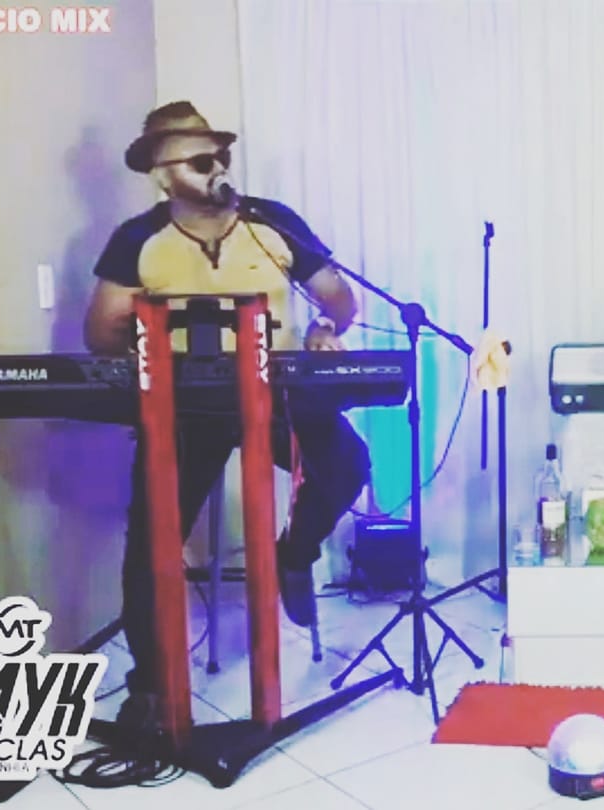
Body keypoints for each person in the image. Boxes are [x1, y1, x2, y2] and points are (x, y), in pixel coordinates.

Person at [82, 101, 372, 729]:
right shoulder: (137, 239)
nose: (217, 168)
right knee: (152, 543)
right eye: (199, 160)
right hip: (185, 406)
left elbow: (340, 299)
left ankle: (295, 553)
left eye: (220, 156)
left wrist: (324, 328)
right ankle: (150, 689)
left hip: (279, 394)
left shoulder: (272, 223)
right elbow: (100, 334)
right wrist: (138, 334)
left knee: (348, 464)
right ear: (163, 175)